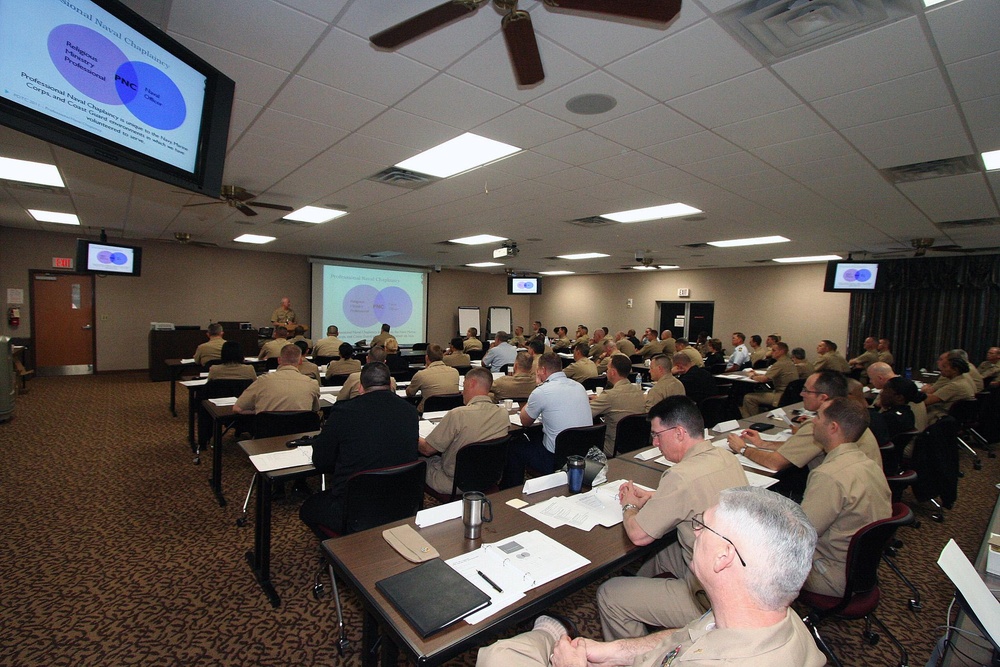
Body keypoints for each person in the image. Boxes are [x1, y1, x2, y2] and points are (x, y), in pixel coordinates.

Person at [477, 486, 824, 667]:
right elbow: (687, 637)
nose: (695, 533)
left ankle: (547, 638)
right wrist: (613, 651)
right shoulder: (765, 615)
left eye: (703, 526)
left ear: (724, 557)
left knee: (498, 657)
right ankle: (548, 638)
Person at [596, 396, 748, 639]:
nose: (655, 442)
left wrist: (629, 506)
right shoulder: (726, 457)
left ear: (679, 432)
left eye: (657, 435)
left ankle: (639, 652)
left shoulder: (680, 476)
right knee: (664, 553)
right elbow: (701, 494)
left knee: (609, 592)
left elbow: (638, 535)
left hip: (713, 599)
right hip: (740, 576)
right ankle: (642, 597)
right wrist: (657, 497)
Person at [299, 363, 418, 537]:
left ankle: (340, 556)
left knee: (308, 508)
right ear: (391, 386)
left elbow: (321, 461)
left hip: (353, 509)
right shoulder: (409, 411)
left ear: (360, 388)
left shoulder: (344, 412)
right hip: (401, 503)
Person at [800, 397, 891, 597]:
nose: (813, 421)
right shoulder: (870, 465)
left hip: (831, 575)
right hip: (860, 570)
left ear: (833, 427)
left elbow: (800, 535)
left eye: (818, 417)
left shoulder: (830, 475)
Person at [727, 370, 882, 474]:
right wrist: (763, 444)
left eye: (807, 391)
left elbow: (775, 463)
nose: (801, 394)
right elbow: (800, 447)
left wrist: (743, 449)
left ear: (823, 397)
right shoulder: (847, 415)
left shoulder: (824, 425)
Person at [501, 352, 591, 489]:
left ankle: (510, 490)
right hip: (582, 453)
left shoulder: (542, 391)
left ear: (542, 370)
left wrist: (537, 387)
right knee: (536, 434)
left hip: (554, 458)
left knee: (514, 447)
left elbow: (524, 421)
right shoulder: (579, 387)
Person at [419, 367, 510, 495]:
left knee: (419, 462)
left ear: (472, 383)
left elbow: (427, 449)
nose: (462, 392)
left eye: (464, 386)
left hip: (453, 482)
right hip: (488, 478)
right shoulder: (503, 414)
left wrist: (411, 434)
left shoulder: (458, 415)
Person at [233, 344, 320, 414]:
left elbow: (237, 409)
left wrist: (259, 413)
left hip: (268, 433)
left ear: (279, 360)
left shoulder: (262, 381)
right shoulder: (312, 383)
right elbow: (315, 409)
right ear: (300, 361)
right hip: (300, 433)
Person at [589, 356, 647, 456]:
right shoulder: (640, 393)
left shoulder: (609, 395)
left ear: (613, 372)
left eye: (607, 369)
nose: (606, 372)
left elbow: (586, 413)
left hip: (612, 446)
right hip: (636, 445)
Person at [740, 342, 798, 417]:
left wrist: (752, 376)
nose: (771, 352)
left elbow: (764, 379)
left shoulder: (779, 364)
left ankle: (752, 419)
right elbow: (770, 375)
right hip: (790, 394)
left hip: (780, 395)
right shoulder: (789, 362)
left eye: (774, 350)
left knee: (748, 397)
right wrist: (757, 375)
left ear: (781, 351)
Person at [867, 361, 928, 431]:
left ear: (880, 378)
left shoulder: (890, 392)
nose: (870, 382)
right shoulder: (906, 387)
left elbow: (872, 419)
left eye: (871, 378)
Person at [922, 351, 975, 423]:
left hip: (943, 419)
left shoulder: (955, 385)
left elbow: (926, 401)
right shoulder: (963, 379)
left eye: (944, 367)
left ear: (955, 370)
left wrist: (923, 391)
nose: (941, 369)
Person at [406, 344, 460, 411]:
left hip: (426, 412)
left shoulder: (421, 374)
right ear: (442, 356)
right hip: (450, 411)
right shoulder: (455, 372)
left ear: (426, 358)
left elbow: (409, 393)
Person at [879, 376, 920, 441]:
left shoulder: (890, 418)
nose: (881, 393)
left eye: (885, 390)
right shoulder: (909, 413)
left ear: (899, 397)